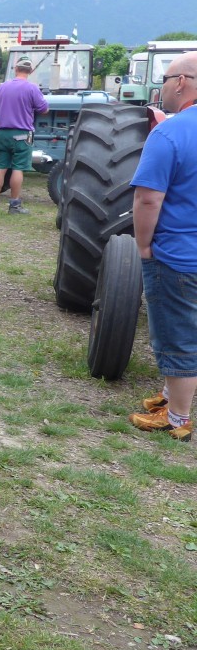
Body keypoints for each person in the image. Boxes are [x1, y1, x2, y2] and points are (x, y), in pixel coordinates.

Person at [127, 52, 197, 443]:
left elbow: (148, 199)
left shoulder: (169, 132)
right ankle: (170, 396)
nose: (164, 86)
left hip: (179, 255)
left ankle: (178, 419)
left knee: (177, 335)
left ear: (182, 82)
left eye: (166, 78)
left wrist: (143, 247)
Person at [0, 58, 47, 214]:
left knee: (0, 168)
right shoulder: (32, 88)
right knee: (18, 168)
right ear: (30, 71)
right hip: (22, 134)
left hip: (3, 132)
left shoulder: (2, 87)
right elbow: (44, 109)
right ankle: (14, 205)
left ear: (15, 69)